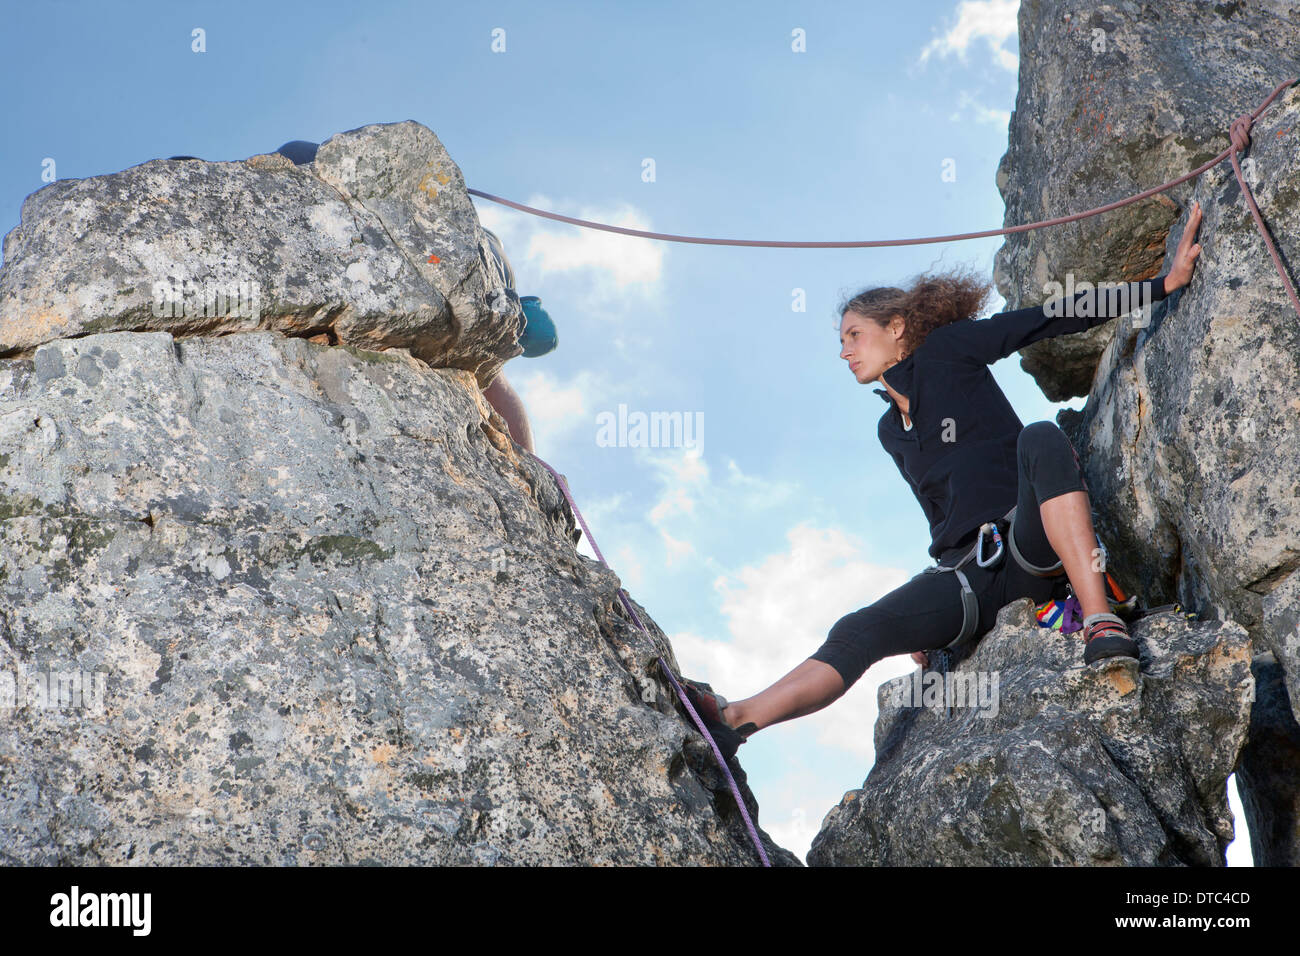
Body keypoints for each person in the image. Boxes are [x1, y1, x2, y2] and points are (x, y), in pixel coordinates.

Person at [686, 202, 1204, 759]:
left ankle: (1100, 617)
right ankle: (735, 722)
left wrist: (1163, 284)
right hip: (967, 581)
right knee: (860, 627)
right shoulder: (891, 429)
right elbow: (938, 514)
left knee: (1040, 437)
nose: (845, 351)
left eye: (855, 335)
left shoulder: (948, 351)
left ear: (897, 328)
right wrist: (927, 622)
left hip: (1029, 548)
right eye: (843, 341)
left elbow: (1053, 315)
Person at [171, 142, 557, 451]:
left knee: (486, 367)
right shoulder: (289, 172)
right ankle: (534, 467)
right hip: (454, 258)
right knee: (487, 365)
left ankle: (533, 467)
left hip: (448, 260)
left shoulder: (293, 168)